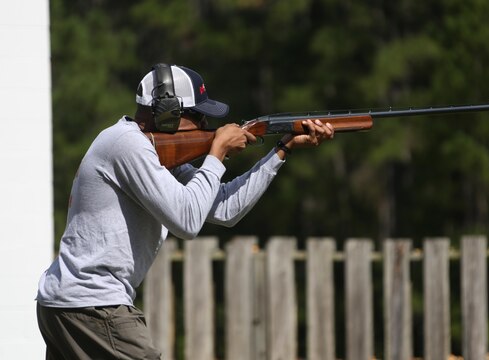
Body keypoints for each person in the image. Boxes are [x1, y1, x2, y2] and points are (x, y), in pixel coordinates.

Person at [36, 63, 334, 359]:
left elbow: (226, 208)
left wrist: (282, 148)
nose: (207, 126)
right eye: (199, 117)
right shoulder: (128, 145)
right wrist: (217, 154)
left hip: (71, 303)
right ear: (168, 114)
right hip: (92, 304)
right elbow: (187, 222)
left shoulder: (148, 152)